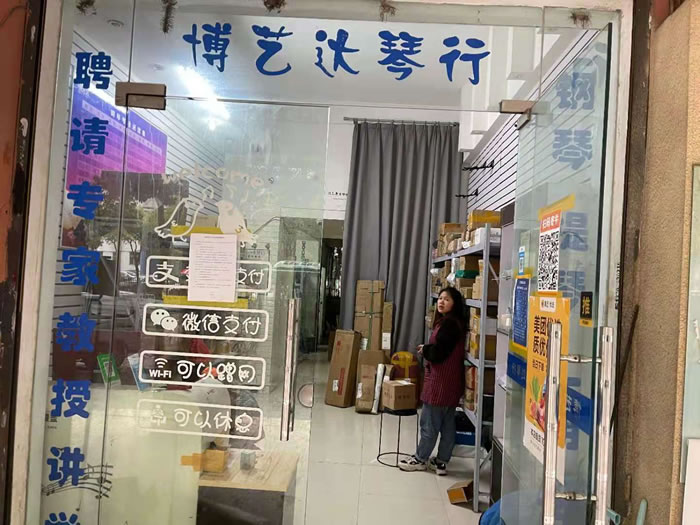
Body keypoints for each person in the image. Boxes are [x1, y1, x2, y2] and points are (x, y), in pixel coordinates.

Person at [399, 286, 467, 475]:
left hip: (440, 383)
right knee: (447, 425)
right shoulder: (457, 323)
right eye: (440, 298)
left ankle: (420, 459)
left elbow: (439, 353)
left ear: (455, 304)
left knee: (429, 423)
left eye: (447, 299)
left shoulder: (449, 325)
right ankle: (441, 461)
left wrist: (425, 350)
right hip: (452, 383)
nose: (441, 302)